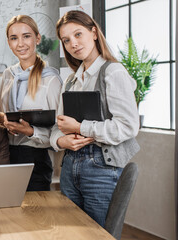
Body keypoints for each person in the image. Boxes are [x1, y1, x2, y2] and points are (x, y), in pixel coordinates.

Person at [50, 10, 140, 227]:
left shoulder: (113, 72)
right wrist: (62, 141)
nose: (73, 43)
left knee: (97, 232)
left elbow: (128, 127)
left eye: (78, 34)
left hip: (102, 167)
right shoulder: (70, 80)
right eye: (66, 40)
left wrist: (81, 127)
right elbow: (58, 127)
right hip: (70, 166)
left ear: (94, 33)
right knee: (70, 231)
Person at [0, 15, 63, 191]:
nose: (20, 44)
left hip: (35, 159)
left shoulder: (51, 79)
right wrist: (1, 118)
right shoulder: (7, 75)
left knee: (35, 214)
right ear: (9, 43)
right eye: (14, 38)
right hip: (5, 156)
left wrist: (30, 131)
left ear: (37, 38)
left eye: (26, 36)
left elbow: (60, 130)